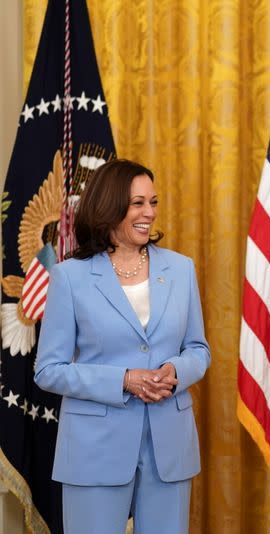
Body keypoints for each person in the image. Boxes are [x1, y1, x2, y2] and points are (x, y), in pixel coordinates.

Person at [34, 159, 211, 534]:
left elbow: (198, 349)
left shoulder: (181, 269)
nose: (150, 212)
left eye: (154, 202)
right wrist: (123, 379)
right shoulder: (70, 277)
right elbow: (48, 370)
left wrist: (175, 372)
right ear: (109, 207)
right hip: (94, 449)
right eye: (138, 204)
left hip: (169, 448)